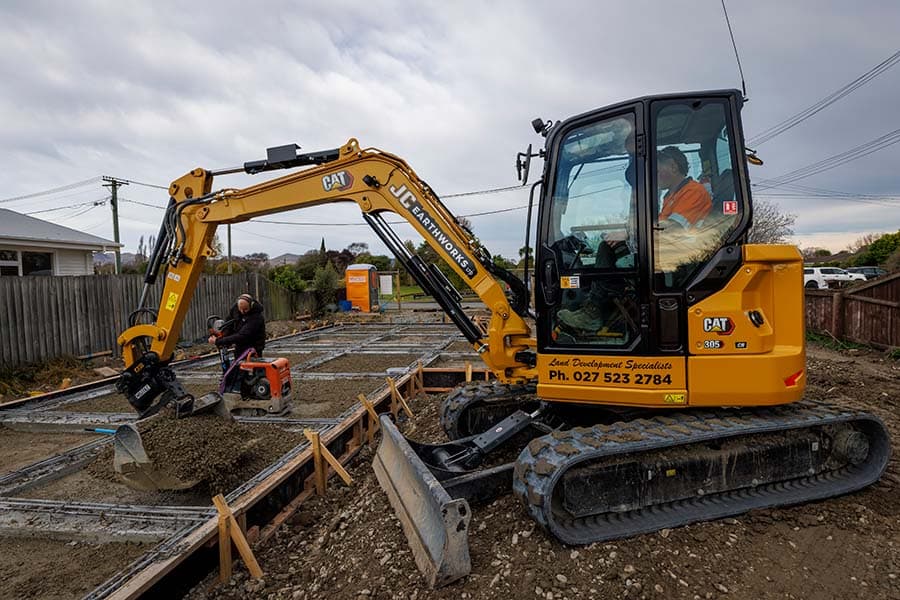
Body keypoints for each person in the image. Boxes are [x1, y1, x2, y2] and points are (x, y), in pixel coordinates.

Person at [656, 146, 712, 229]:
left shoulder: (693, 191)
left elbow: (672, 229)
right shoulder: (669, 197)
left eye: (657, 171)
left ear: (673, 167)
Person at [208, 293, 266, 359]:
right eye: (240, 309)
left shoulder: (256, 318)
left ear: (251, 305)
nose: (242, 311)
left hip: (253, 349)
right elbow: (229, 325)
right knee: (237, 363)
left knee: (249, 364)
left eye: (245, 309)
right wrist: (222, 336)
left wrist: (218, 341)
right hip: (239, 347)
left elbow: (242, 336)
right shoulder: (235, 309)